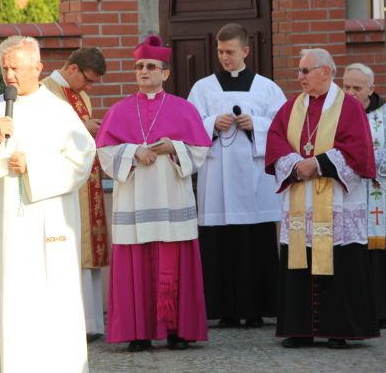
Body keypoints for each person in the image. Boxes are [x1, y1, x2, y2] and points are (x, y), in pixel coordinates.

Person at [0, 36, 95, 372]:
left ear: (37, 67)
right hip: (2, 231)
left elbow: (83, 159)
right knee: (5, 304)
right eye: (4, 67)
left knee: (46, 307)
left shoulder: (60, 112)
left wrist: (35, 167)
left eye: (16, 67)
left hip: (46, 229)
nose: (9, 75)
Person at [96, 34, 211, 352]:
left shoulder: (183, 109)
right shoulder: (119, 111)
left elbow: (200, 151)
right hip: (134, 202)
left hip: (171, 198)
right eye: (139, 67)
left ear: (165, 73)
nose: (143, 71)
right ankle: (138, 332)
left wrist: (172, 147)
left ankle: (179, 331)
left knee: (175, 264)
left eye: (150, 66)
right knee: (135, 267)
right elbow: (105, 153)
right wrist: (134, 153)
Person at [265, 48, 379, 349]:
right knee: (299, 258)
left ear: (325, 72)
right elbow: (275, 139)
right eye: (299, 71)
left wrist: (318, 163)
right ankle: (299, 328)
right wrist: (294, 163)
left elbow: (359, 150)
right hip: (301, 194)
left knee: (340, 261)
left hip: (336, 198)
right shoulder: (291, 108)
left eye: (305, 71)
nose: (300, 77)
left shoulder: (349, 108)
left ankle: (339, 329)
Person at [187, 23, 286, 327]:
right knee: (220, 244)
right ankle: (223, 310)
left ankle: (257, 309)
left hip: (254, 179)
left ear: (245, 50)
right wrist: (211, 123)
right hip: (217, 178)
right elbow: (190, 126)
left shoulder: (267, 88)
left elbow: (283, 130)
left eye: (230, 52)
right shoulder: (203, 88)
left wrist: (255, 123)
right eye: (220, 52)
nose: (224, 58)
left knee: (254, 242)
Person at [41, 47, 109, 341]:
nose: (90, 88)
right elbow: (39, 135)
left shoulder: (80, 95)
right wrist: (82, 127)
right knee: (69, 248)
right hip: (62, 184)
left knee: (89, 250)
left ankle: (92, 322)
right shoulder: (44, 92)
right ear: (72, 69)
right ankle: (72, 324)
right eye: (89, 80)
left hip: (88, 182)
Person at [342, 63, 386, 328]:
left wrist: (363, 161)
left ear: (371, 87)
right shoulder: (336, 113)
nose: (351, 92)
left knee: (382, 254)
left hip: (379, 195)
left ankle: (383, 310)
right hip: (348, 194)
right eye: (346, 86)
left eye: (357, 87)